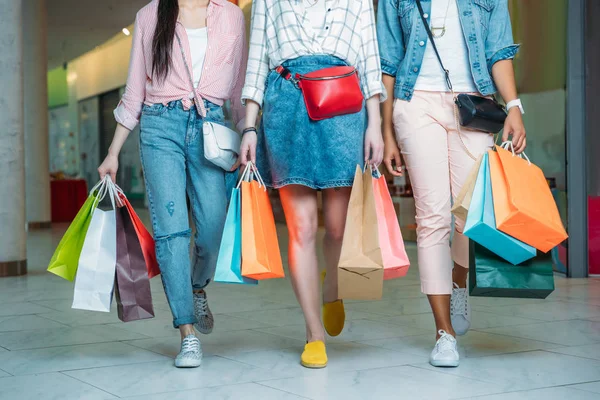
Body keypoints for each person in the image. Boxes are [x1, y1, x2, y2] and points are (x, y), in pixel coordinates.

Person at [97, 0, 247, 368]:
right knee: (172, 233)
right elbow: (134, 93)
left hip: (211, 126)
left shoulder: (229, 14)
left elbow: (239, 85)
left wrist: (248, 133)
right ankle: (187, 333)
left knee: (212, 228)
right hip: (159, 127)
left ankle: (196, 285)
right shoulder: (150, 16)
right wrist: (113, 152)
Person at [377, 0, 525, 367]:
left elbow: (499, 50)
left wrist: (515, 106)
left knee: (469, 214)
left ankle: (459, 281)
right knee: (432, 218)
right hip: (415, 105)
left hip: (475, 104)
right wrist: (386, 133)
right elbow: (388, 64)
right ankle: (444, 333)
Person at [239, 0, 385, 368]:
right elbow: (257, 60)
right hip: (287, 105)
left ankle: (331, 288)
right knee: (301, 229)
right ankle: (313, 333)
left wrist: (376, 125)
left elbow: (370, 58)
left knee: (337, 228)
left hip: (343, 105)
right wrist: (250, 127)